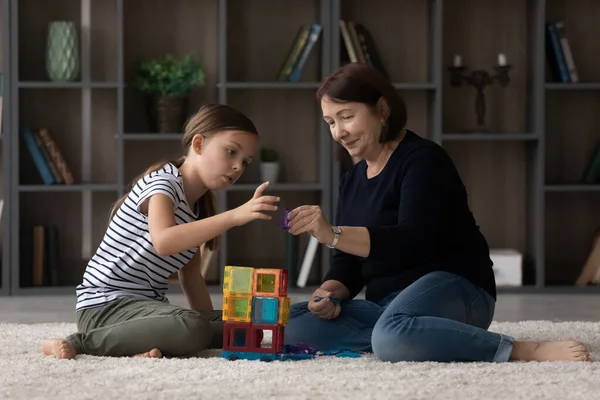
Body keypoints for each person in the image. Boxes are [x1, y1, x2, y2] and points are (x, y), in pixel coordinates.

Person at [284, 63, 590, 363]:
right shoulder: (351, 181)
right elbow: (348, 263)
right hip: (388, 305)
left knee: (390, 337)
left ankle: (519, 350)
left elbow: (413, 241)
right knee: (292, 324)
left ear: (382, 109)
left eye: (346, 117)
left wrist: (333, 234)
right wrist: (328, 292)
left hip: (458, 287)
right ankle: (419, 335)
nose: (339, 131)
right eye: (330, 122)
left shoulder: (423, 159)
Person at [42, 104, 279, 359]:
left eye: (245, 161)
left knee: (246, 330)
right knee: (192, 328)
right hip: (104, 307)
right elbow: (164, 241)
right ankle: (80, 343)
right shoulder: (163, 183)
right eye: (231, 152)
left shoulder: (199, 209)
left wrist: (212, 330)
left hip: (145, 311)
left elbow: (191, 278)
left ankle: (138, 347)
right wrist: (233, 216)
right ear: (198, 144)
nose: (237, 167)